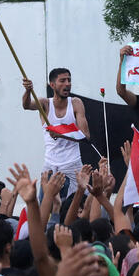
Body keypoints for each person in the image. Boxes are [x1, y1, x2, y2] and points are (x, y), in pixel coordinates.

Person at [21, 68, 90, 196]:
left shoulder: (76, 103)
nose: (67, 84)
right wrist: (28, 90)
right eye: (62, 80)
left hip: (73, 164)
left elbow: (85, 136)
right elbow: (26, 105)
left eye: (69, 80)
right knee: (45, 207)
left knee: (79, 206)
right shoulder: (44, 103)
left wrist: (60, 133)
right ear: (52, 85)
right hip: (50, 164)